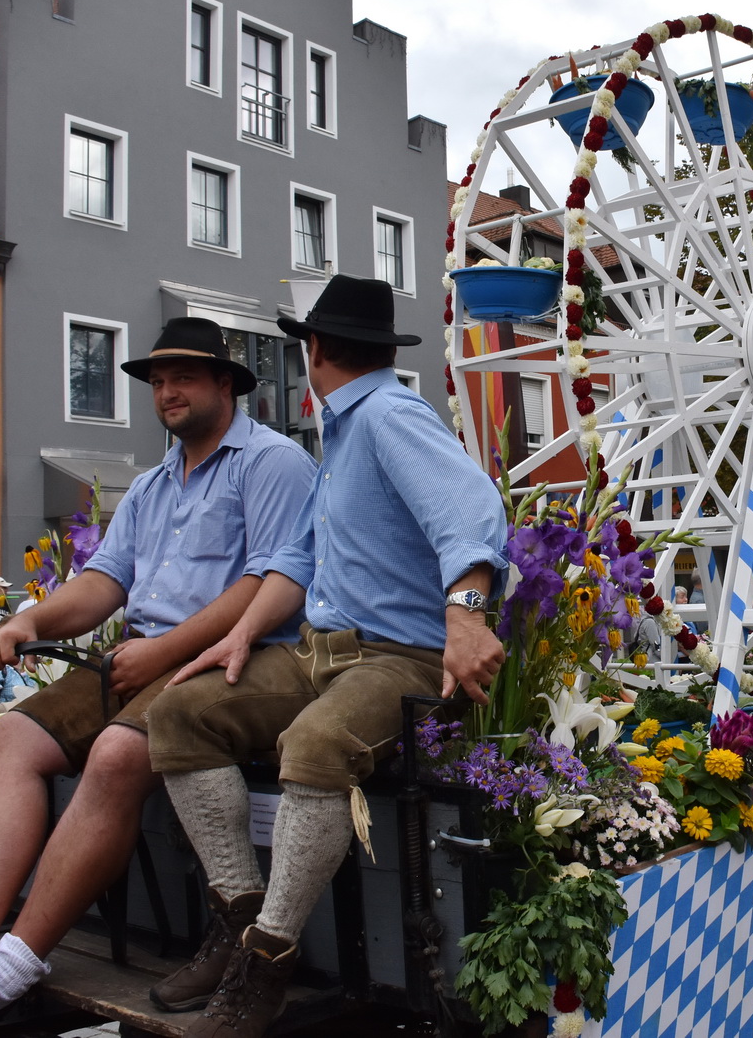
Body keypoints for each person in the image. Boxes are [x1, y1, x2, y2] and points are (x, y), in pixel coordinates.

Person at [0, 317, 319, 1023]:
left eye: (183, 378)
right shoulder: (152, 484)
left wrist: (162, 651)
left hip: (232, 658)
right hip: (141, 652)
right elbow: (104, 581)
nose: (167, 392)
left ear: (225, 384)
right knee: (9, 737)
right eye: (158, 381)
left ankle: (10, 971)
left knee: (115, 754)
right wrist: (28, 622)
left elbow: (267, 584)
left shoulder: (273, 462)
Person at [141, 277, 508, 1038]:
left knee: (314, 744)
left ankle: (264, 964)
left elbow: (471, 511)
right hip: (319, 653)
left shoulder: (387, 415)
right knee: (180, 712)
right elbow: (299, 557)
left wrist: (467, 617)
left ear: (312, 348)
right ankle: (238, 916)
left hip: (399, 658)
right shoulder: (341, 431)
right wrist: (242, 632)